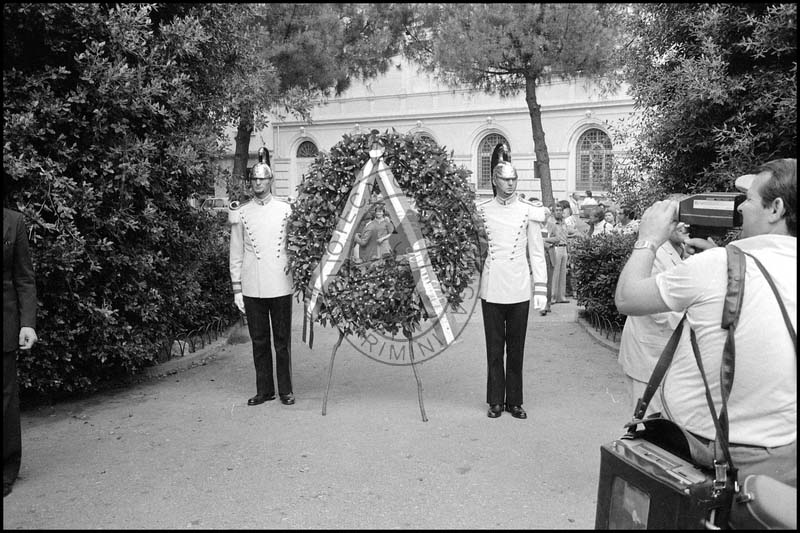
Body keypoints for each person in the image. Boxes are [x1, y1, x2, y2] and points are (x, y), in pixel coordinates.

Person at [615, 158, 797, 486]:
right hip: (783, 459)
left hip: (705, 452)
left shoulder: (717, 265)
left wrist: (648, 239)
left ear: (776, 209)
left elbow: (627, 297)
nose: (740, 208)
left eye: (749, 199)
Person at [476, 161, 548, 420]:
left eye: (513, 179)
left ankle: (514, 401)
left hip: (518, 286)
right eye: (505, 179)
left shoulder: (529, 211)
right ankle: (496, 400)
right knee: (494, 348)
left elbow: (537, 252)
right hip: (493, 285)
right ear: (495, 181)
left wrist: (541, 289)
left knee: (516, 348)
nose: (510, 184)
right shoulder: (482, 210)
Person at [229, 151, 295, 407]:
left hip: (279, 282)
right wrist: (237, 288)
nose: (258, 183)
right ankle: (264, 390)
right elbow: (236, 253)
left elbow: (293, 246)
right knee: (259, 341)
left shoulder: (286, 209)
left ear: (270, 181)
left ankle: (286, 390)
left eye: (262, 179)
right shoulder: (242, 213)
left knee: (282, 341)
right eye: (254, 179)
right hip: (253, 285)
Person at [617, 221, 694, 417]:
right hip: (649, 356)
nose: (685, 226)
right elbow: (655, 308)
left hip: (666, 358)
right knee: (648, 423)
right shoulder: (654, 254)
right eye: (678, 221)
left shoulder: (683, 250)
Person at [3, 208, 38, 497]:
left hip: (5, 324)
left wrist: (27, 324)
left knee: (5, 398)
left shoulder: (14, 222)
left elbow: (24, 278)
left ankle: (6, 469)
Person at [545, 201, 577, 305]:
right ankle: (552, 297)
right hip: (555, 248)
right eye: (557, 210)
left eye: (560, 210)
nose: (559, 212)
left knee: (563, 273)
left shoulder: (564, 222)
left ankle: (561, 296)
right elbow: (547, 237)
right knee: (555, 273)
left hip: (564, 247)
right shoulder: (551, 223)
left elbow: (570, 232)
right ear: (553, 212)